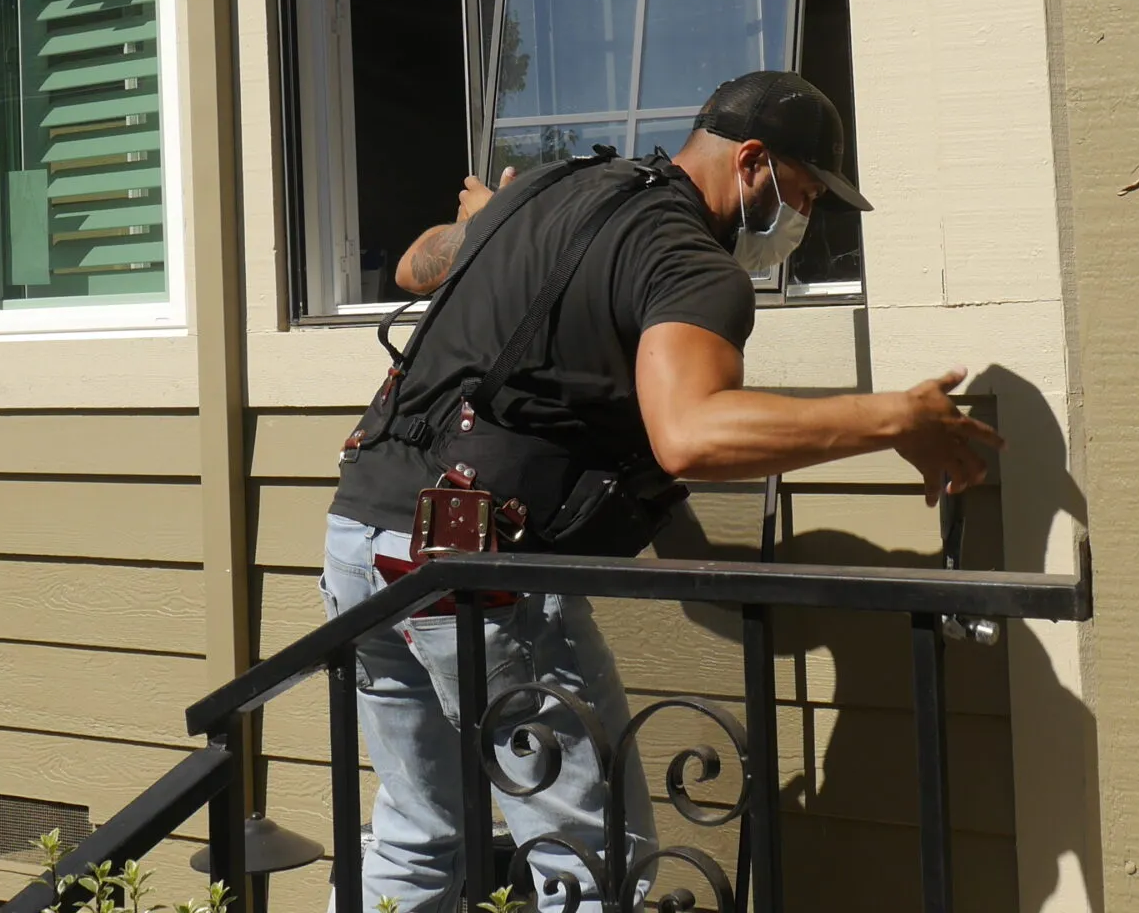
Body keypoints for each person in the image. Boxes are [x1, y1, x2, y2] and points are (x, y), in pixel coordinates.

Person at [321, 69, 1002, 913]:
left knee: (419, 836)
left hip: (361, 540)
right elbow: (690, 431)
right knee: (592, 860)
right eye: (805, 192)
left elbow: (420, 268)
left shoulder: (556, 186)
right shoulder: (692, 261)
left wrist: (489, 223)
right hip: (471, 572)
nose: (806, 218)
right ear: (752, 162)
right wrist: (895, 418)